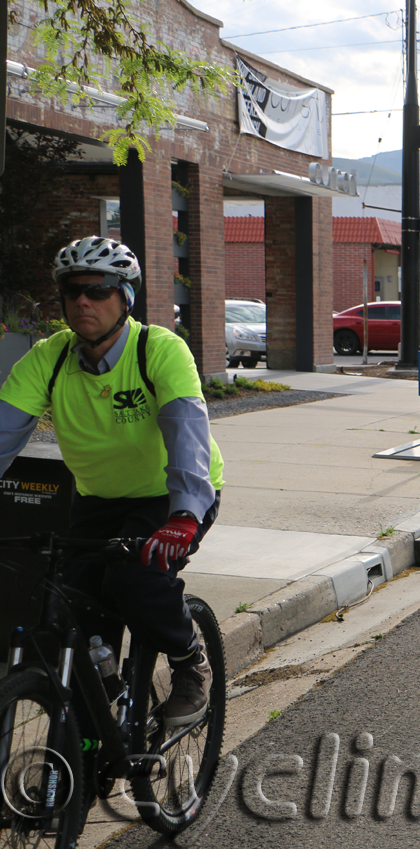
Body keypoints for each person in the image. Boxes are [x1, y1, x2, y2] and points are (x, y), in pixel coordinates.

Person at [0, 237, 224, 727]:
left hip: (171, 495)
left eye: (99, 289)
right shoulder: (49, 359)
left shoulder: (159, 350)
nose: (84, 300)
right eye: (73, 290)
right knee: (62, 605)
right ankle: (101, 720)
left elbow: (186, 432)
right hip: (98, 500)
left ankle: (190, 662)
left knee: (134, 578)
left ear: (125, 298)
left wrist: (185, 513)